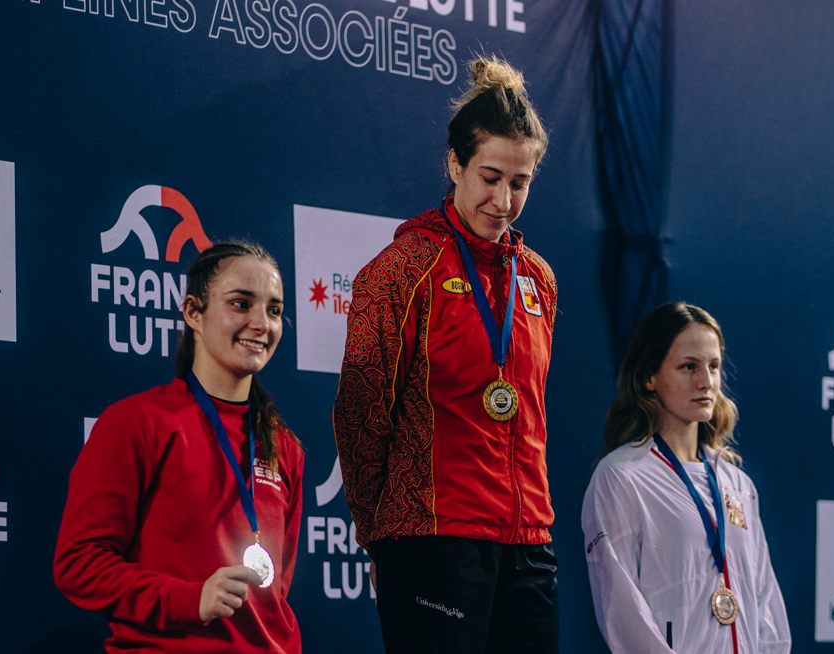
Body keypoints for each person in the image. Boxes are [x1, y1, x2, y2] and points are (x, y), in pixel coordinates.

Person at [332, 55, 559, 653]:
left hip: (529, 539)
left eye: (520, 182)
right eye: (489, 177)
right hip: (433, 537)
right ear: (454, 163)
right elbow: (360, 413)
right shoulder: (402, 270)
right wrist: (378, 536)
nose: (504, 200)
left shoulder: (538, 280)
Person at [54, 242, 304, 653]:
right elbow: (78, 563)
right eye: (241, 304)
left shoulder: (283, 446)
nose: (261, 323)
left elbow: (276, 590)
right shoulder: (137, 422)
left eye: (274, 310)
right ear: (193, 312)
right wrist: (188, 598)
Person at [581, 302, 790, 654]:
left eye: (714, 366)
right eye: (688, 367)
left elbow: (765, 599)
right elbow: (623, 611)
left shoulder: (738, 484)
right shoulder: (620, 477)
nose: (706, 382)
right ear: (649, 377)